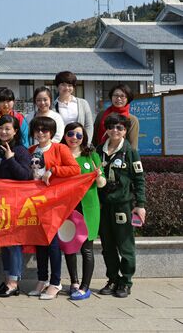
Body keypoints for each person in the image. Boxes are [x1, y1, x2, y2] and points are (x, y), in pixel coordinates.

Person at [27, 116, 81, 300]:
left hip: (54, 203)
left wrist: (54, 170)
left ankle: (55, 282)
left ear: (51, 132)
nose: (40, 133)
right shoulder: (31, 150)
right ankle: (42, 279)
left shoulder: (60, 148)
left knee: (52, 243)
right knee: (40, 242)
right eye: (37, 130)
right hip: (35, 203)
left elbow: (75, 169)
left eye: (45, 130)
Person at [96, 113, 146, 298]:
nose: (115, 131)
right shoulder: (99, 150)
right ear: (106, 129)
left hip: (122, 205)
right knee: (107, 246)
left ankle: (126, 281)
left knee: (125, 245)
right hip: (103, 206)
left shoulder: (130, 152)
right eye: (111, 127)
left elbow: (139, 179)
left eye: (119, 128)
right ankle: (113, 279)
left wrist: (140, 204)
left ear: (125, 130)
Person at [62, 122, 107, 300]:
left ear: (84, 138)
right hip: (67, 208)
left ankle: (85, 286)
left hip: (88, 208)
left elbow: (102, 184)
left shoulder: (92, 156)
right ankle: (74, 282)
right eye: (71, 134)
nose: (74, 138)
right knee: (69, 246)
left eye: (79, 135)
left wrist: (98, 176)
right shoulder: (60, 155)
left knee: (87, 248)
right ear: (65, 135)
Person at [0, 115, 32, 298]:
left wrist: (10, 159)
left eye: (8, 128)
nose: (3, 132)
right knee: (4, 243)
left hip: (15, 204)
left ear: (15, 131)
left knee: (14, 243)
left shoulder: (20, 150)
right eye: (0, 128)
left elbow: (25, 176)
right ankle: (7, 279)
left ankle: (14, 282)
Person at [94, 83, 140, 151]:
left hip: (121, 155)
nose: (118, 98)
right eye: (116, 95)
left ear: (128, 98)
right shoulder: (101, 115)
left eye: (122, 96)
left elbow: (132, 146)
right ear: (111, 97)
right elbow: (94, 137)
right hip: (99, 154)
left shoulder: (132, 120)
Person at [53, 71, 94, 141]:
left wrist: (87, 143)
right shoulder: (52, 106)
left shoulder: (83, 103)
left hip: (79, 142)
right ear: (57, 86)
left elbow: (89, 125)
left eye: (70, 85)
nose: (67, 88)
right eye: (63, 85)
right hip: (61, 143)